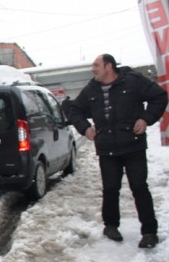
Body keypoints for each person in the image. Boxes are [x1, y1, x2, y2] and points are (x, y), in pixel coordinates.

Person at [69, 54, 167, 249]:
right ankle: (111, 226)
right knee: (111, 189)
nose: (93, 69)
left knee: (139, 187)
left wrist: (146, 118)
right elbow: (74, 110)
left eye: (96, 65)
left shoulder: (132, 81)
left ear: (109, 66)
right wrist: (85, 128)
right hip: (107, 149)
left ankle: (149, 232)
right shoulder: (92, 89)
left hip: (133, 145)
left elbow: (159, 96)